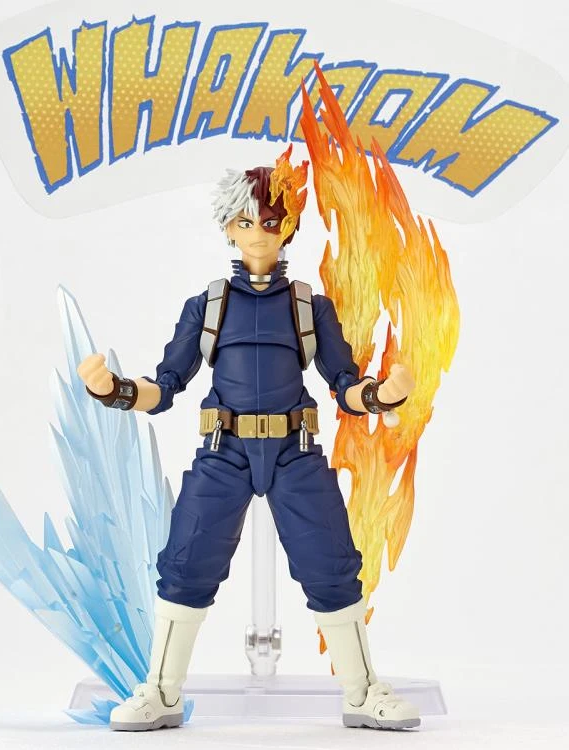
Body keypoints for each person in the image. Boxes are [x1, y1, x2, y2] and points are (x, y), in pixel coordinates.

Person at [77, 165, 419, 731]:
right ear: (227, 227)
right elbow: (167, 385)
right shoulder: (208, 305)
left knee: (332, 563)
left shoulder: (309, 306)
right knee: (186, 561)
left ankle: (361, 692)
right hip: (225, 450)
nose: (258, 232)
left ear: (289, 227)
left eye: (270, 220)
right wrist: (116, 391)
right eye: (245, 221)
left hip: (294, 450)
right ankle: (161, 692)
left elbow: (344, 385)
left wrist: (380, 395)